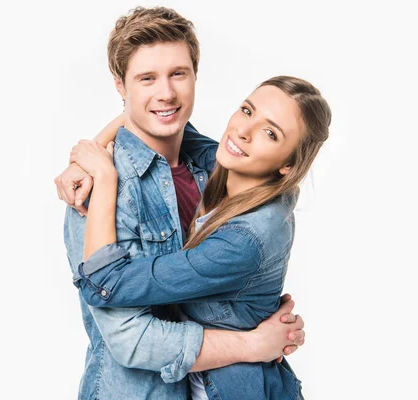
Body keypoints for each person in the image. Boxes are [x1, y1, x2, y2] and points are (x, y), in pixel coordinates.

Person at [56, 6, 306, 400]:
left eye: (178, 74)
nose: (167, 93)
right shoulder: (95, 193)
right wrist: (254, 345)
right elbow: (130, 339)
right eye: (147, 78)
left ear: (194, 75)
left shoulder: (214, 163)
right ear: (120, 86)